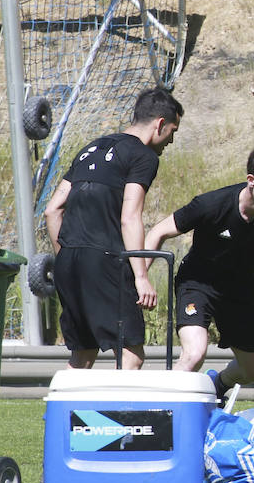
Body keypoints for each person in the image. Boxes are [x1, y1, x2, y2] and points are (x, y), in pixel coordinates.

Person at [44, 87, 183, 370]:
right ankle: (116, 416)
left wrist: (67, 255)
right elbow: (130, 217)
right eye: (173, 130)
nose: (171, 139)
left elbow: (52, 210)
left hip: (68, 262)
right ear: (160, 124)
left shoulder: (90, 149)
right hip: (106, 261)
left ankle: (59, 414)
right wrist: (141, 276)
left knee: (82, 354)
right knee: (131, 354)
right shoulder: (144, 157)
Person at [145, 145, 254, 404]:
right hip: (197, 284)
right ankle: (158, 412)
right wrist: (139, 277)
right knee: (193, 354)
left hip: (240, 292)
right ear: (251, 181)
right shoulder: (211, 205)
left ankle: (217, 383)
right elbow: (158, 232)